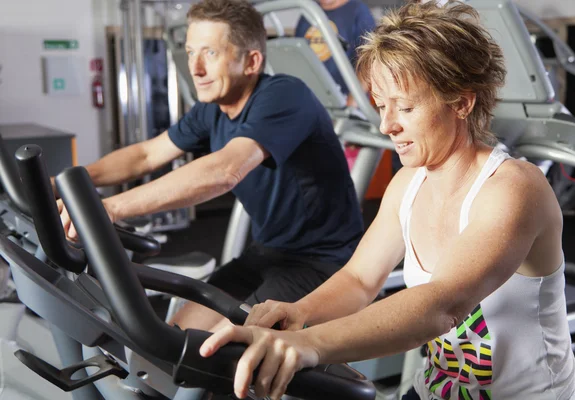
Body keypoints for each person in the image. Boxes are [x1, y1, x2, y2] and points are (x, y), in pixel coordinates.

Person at [200, 1, 575, 399]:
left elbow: (442, 306)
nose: (387, 125)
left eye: (406, 107)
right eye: (382, 106)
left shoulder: (514, 189)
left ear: (462, 102)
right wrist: (301, 312)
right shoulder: (408, 184)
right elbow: (359, 279)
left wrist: (309, 345)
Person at [55, 0, 364, 332]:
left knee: (218, 353)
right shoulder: (214, 108)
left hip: (321, 264)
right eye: (190, 53)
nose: (195, 68)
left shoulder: (285, 95)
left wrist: (112, 207)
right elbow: (146, 155)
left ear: (251, 61)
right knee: (176, 338)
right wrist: (64, 182)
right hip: (266, 254)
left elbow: (224, 171)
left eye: (210, 54)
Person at [295, 0, 376, 105]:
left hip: (346, 104)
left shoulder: (358, 10)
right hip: (313, 102)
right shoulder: (308, 13)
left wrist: (352, 102)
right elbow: (298, 59)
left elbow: (370, 61)